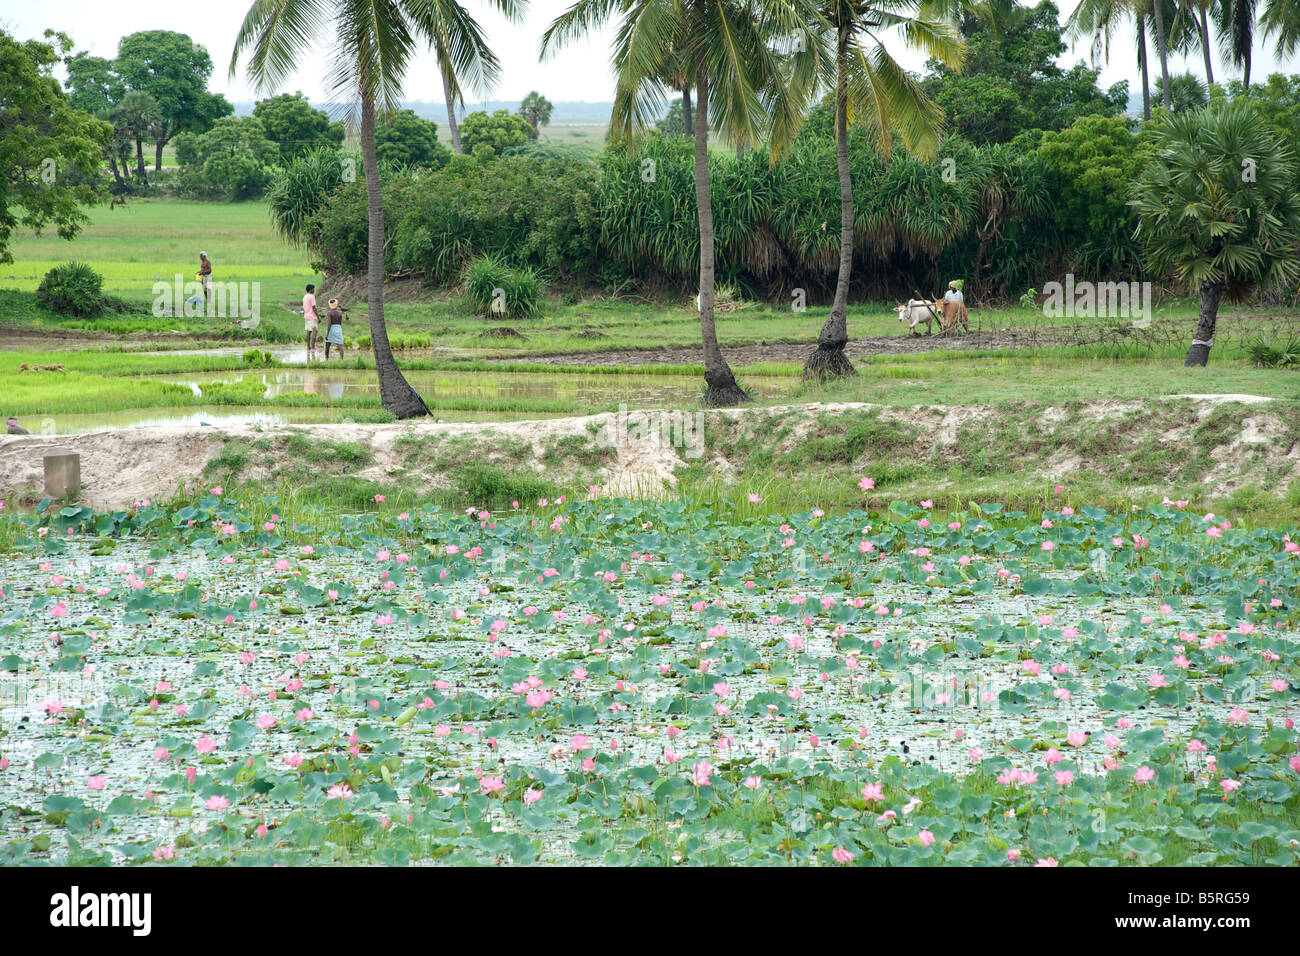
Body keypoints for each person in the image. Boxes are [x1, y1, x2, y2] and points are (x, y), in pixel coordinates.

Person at [303, 284, 319, 360]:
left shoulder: (305, 296)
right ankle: (313, 347)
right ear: (310, 289)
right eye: (313, 289)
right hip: (312, 316)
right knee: (314, 331)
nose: (314, 290)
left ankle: (308, 346)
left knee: (308, 332)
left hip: (306, 316)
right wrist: (318, 317)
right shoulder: (312, 296)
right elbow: (314, 307)